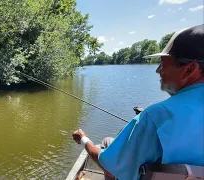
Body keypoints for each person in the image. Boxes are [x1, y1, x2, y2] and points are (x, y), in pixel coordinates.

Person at [72, 24, 204, 180]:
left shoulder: (156, 116)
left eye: (162, 63)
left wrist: (84, 139)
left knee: (106, 144)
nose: (158, 70)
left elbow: (110, 168)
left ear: (189, 69)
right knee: (109, 142)